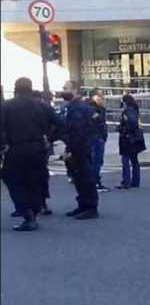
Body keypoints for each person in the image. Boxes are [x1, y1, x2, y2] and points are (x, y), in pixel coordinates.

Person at [1, 78, 63, 231]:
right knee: (35, 180)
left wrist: (3, 145)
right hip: (38, 147)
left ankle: (26, 211)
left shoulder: (6, 106)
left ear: (16, 88)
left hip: (15, 148)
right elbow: (61, 124)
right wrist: (50, 138)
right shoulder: (42, 106)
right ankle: (35, 209)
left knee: (13, 179)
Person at [62, 82, 101, 219]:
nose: (63, 91)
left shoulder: (79, 108)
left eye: (66, 88)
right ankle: (83, 204)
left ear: (75, 91)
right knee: (78, 178)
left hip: (80, 148)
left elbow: (78, 131)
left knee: (85, 177)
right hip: (76, 147)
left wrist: (70, 149)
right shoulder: (72, 107)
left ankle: (91, 207)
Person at [116, 95, 145, 189]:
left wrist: (121, 129)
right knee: (134, 160)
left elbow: (131, 124)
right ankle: (135, 181)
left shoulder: (128, 111)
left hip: (128, 139)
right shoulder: (134, 110)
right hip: (136, 138)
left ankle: (126, 181)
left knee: (125, 160)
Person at [88, 89, 111, 193]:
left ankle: (94, 182)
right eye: (100, 96)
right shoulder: (93, 108)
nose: (103, 98)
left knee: (96, 161)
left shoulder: (98, 108)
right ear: (95, 97)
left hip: (97, 137)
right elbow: (98, 122)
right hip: (96, 137)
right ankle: (95, 182)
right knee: (96, 161)